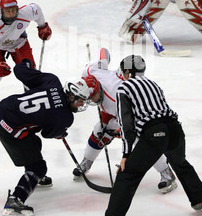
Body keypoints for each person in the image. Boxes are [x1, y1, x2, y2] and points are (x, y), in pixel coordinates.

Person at [91, 55, 202, 216]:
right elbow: (154, 111)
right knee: (180, 163)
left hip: (155, 133)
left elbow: (126, 124)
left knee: (127, 173)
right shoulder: (154, 84)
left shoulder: (124, 87)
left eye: (123, 72)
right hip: (175, 129)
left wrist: (126, 154)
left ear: (127, 72)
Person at [0, 59, 91, 216]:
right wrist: (60, 132)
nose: (81, 105)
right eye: (80, 101)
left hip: (2, 111)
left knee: (34, 142)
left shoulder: (52, 81)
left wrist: (27, 63)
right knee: (38, 166)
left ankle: (34, 179)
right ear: (71, 96)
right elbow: (48, 133)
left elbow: (20, 70)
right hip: (9, 128)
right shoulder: (65, 117)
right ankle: (15, 201)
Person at [74, 47, 177, 194]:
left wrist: (119, 131)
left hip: (133, 113)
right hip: (111, 109)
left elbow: (130, 124)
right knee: (99, 131)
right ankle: (86, 162)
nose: (91, 101)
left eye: (93, 97)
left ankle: (167, 172)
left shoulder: (121, 94)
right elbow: (103, 52)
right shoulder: (92, 73)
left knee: (141, 142)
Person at [0, 0, 52, 112]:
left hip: (18, 41)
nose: (11, 14)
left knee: (30, 71)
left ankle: (31, 96)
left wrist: (43, 26)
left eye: (14, 10)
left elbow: (36, 9)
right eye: (8, 11)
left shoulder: (26, 12)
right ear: (1, 11)